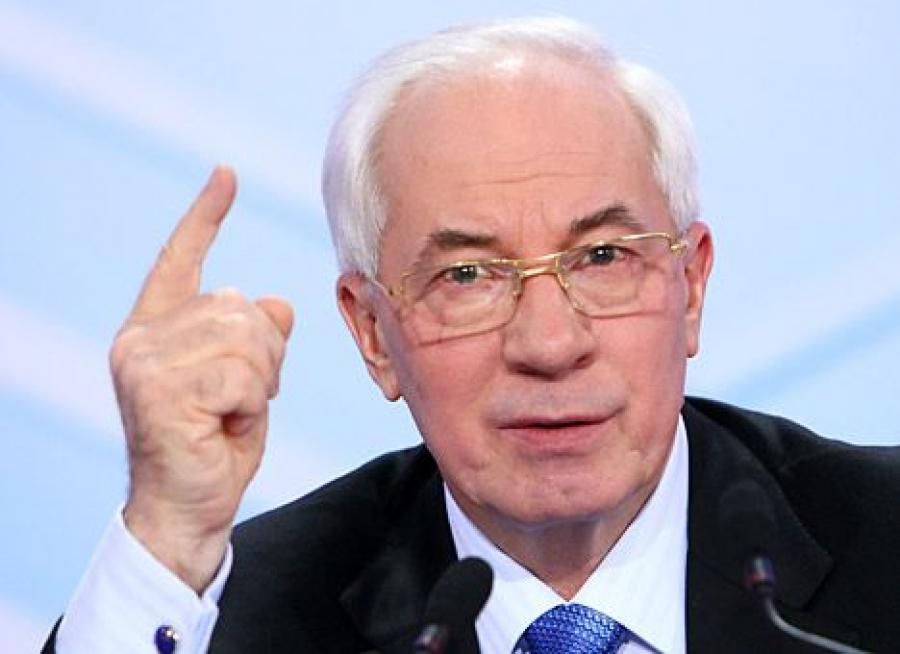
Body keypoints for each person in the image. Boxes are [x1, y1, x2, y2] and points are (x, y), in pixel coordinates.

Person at [44, 16, 900, 654]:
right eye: (467, 276)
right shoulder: (238, 616)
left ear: (692, 287)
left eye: (603, 256)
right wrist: (168, 531)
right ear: (372, 332)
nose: (550, 344)